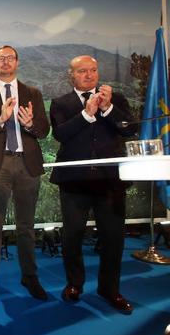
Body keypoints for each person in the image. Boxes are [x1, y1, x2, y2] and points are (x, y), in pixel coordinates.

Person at [49, 55, 136, 314]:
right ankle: (74, 284)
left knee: (113, 238)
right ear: (71, 75)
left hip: (110, 182)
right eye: (83, 71)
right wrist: (87, 115)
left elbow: (128, 129)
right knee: (73, 235)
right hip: (75, 182)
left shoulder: (116, 100)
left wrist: (107, 109)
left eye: (93, 70)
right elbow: (61, 134)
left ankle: (109, 289)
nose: (89, 75)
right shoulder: (61, 103)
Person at [0, 45, 50, 301]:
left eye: (10, 58)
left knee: (26, 226)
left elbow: (44, 130)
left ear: (17, 62)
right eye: (0, 59)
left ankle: (30, 276)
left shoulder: (33, 93)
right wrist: (1, 120)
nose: (5, 62)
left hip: (27, 165)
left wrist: (30, 124)